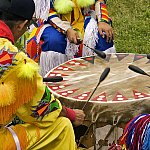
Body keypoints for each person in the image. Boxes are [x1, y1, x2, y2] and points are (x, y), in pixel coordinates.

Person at [0, 0, 85, 149]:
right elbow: (41, 109)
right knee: (62, 126)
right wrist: (70, 114)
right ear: (21, 24)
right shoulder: (14, 61)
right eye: (27, 27)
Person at [27, 0, 116, 77]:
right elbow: (47, 11)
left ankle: (101, 80)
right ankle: (53, 83)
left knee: (102, 37)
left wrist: (102, 21)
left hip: (84, 16)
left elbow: (99, 1)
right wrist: (67, 30)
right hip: (52, 21)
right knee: (54, 41)